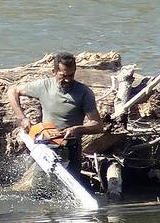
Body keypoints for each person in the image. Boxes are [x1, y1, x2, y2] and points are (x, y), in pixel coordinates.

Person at [8, 52, 102, 183]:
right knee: (39, 190)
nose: (68, 79)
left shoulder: (84, 93)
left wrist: (77, 129)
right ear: (54, 71)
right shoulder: (44, 86)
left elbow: (97, 125)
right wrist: (22, 118)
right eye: (64, 75)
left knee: (71, 188)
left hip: (71, 148)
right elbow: (13, 91)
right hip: (46, 146)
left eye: (71, 75)